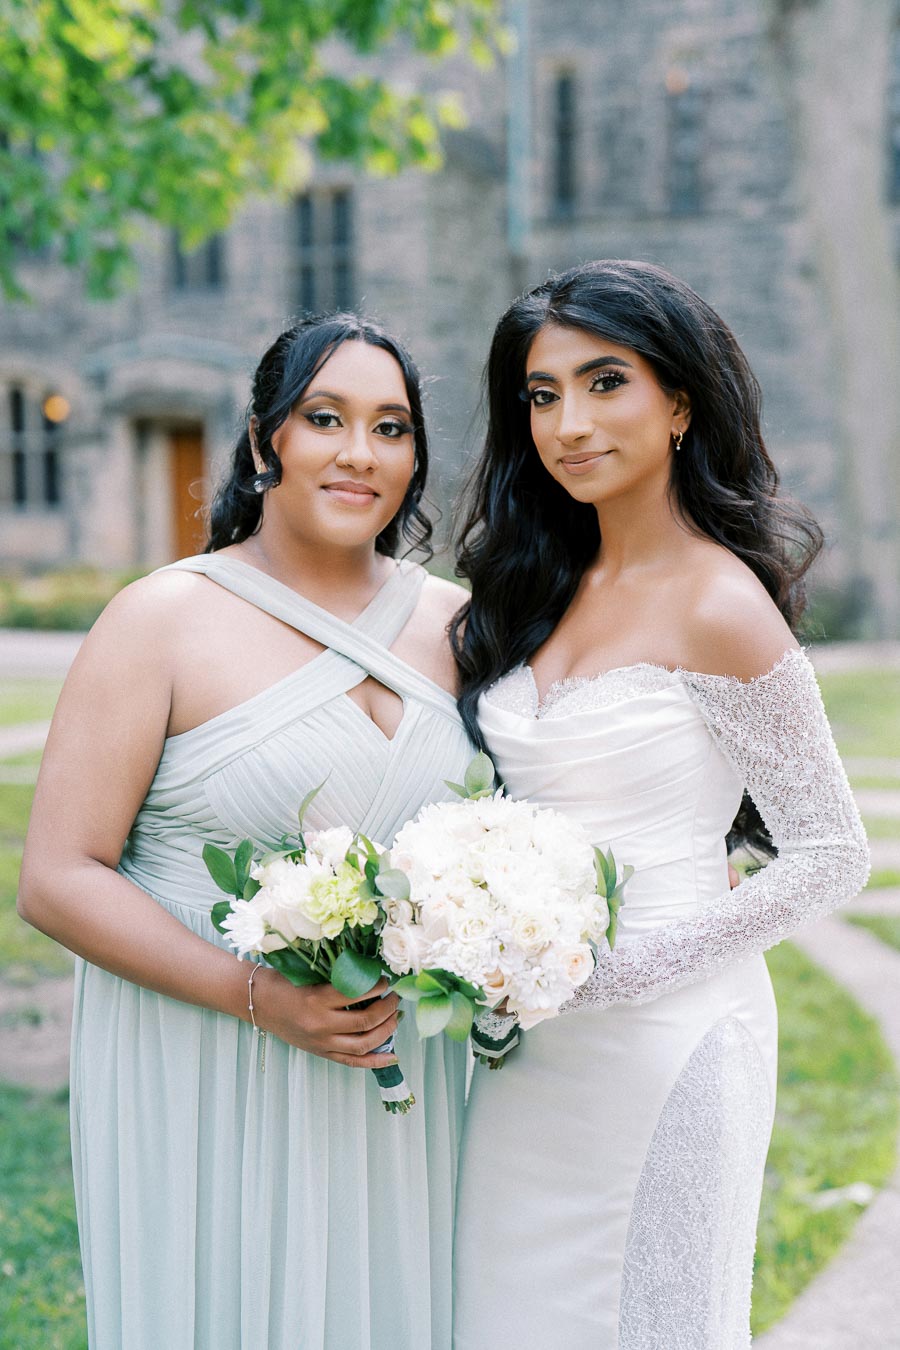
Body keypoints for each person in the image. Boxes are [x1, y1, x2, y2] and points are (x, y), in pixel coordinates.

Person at [17, 314, 473, 1350]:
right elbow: (57, 876)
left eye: (392, 427)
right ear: (266, 441)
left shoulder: (459, 625)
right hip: (213, 1061)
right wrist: (257, 995)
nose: (361, 452)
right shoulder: (162, 618)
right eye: (327, 418)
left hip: (410, 1078)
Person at [450, 260, 870, 1349]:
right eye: (542, 397)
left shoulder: (720, 604)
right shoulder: (536, 587)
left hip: (669, 1036)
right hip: (527, 1050)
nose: (569, 424)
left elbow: (830, 850)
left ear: (680, 403)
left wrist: (619, 971)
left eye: (605, 383)